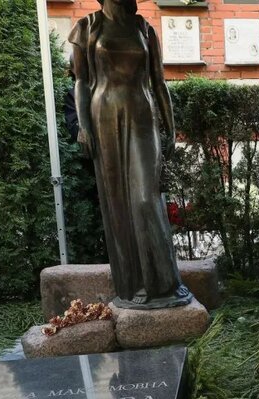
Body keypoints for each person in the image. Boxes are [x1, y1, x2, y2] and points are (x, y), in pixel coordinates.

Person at [69, 0, 192, 309]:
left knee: (145, 197)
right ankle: (132, 285)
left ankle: (163, 283)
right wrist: (84, 127)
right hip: (104, 114)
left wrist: (171, 127)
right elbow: (81, 81)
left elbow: (159, 82)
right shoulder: (88, 27)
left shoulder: (144, 29)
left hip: (141, 111)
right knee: (117, 202)